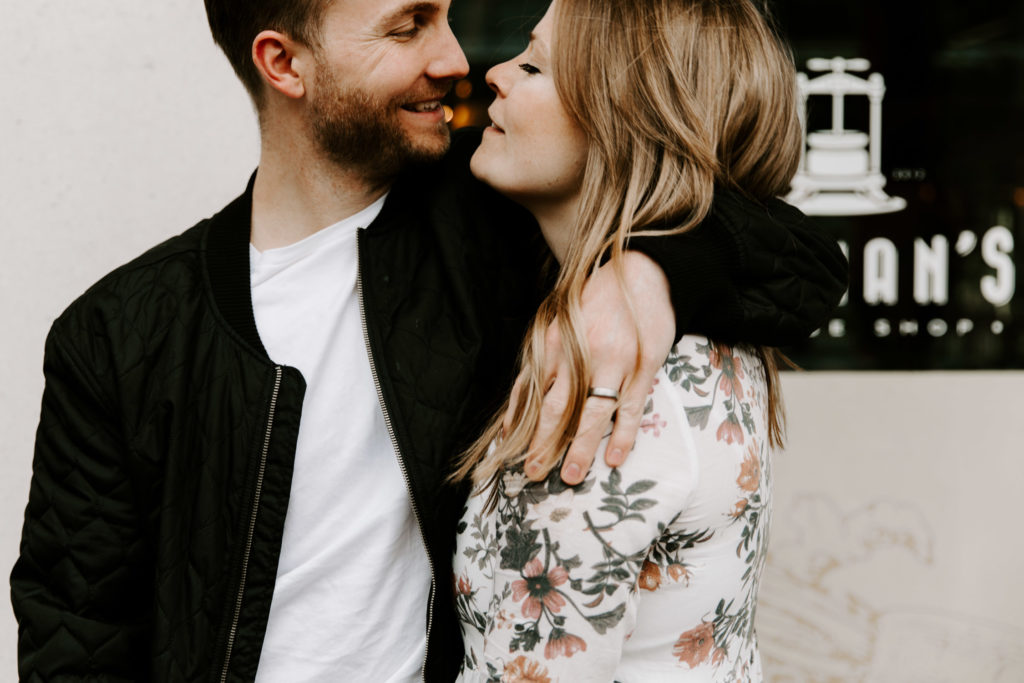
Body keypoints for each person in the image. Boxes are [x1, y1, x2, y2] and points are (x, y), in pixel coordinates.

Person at [10, 1, 846, 682]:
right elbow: (74, 638)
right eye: (409, 26)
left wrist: (649, 269)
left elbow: (803, 260)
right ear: (283, 64)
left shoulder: (494, 222)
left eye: (445, 16)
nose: (454, 59)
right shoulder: (120, 333)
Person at [451, 0, 809, 680]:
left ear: (625, 124)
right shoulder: (712, 334)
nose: (494, 73)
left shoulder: (608, 381)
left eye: (533, 64)